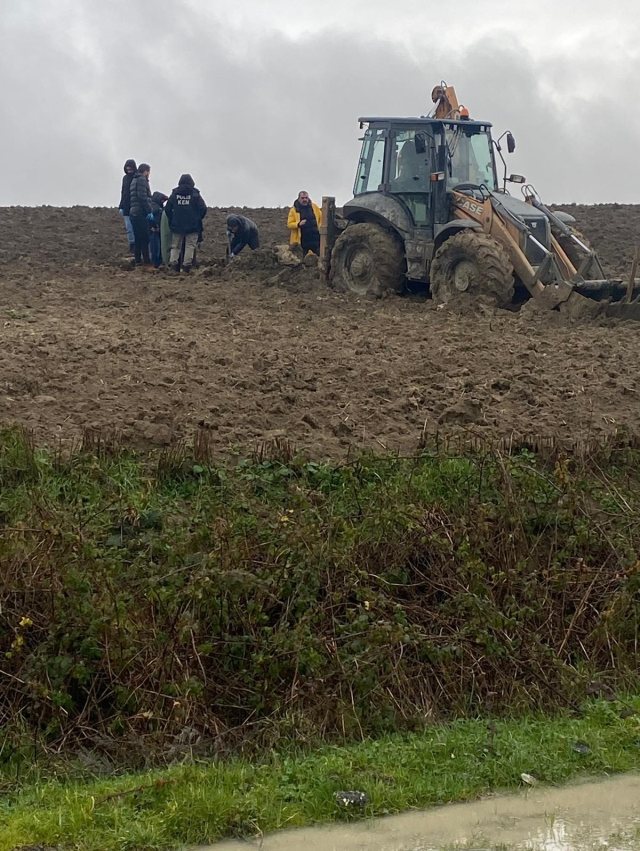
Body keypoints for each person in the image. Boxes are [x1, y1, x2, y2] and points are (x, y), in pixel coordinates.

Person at [165, 174, 207, 273]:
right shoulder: (195, 194)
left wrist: (172, 219)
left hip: (177, 224)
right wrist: (197, 218)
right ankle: (186, 267)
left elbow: (167, 209)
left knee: (175, 246)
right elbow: (203, 208)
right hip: (192, 225)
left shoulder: (175, 194)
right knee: (190, 246)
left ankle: (173, 266)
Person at [129, 163, 155, 269]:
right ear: (146, 171)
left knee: (138, 238)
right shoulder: (142, 180)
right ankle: (146, 261)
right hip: (140, 213)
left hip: (133, 212)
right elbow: (142, 197)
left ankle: (138, 260)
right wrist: (149, 211)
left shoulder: (134, 180)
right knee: (144, 238)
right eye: (149, 172)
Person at [287, 191, 322, 255]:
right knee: (302, 258)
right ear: (299, 199)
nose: (304, 200)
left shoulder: (314, 207)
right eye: (302, 198)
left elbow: (321, 218)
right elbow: (289, 224)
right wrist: (298, 224)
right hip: (302, 241)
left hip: (316, 239)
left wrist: (319, 228)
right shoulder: (294, 210)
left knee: (319, 257)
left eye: (306, 198)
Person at [118, 159, 137, 254]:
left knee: (135, 227)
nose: (129, 170)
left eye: (130, 168)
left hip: (135, 206)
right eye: (127, 168)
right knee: (129, 228)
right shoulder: (125, 178)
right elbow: (123, 192)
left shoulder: (137, 178)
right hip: (126, 207)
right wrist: (121, 206)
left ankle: (137, 246)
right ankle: (132, 245)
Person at [150, 192, 168, 268]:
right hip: (155, 230)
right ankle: (156, 263)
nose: (163, 202)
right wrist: (155, 226)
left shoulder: (153, 207)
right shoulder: (157, 209)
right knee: (156, 247)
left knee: (156, 246)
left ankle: (156, 262)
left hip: (156, 229)